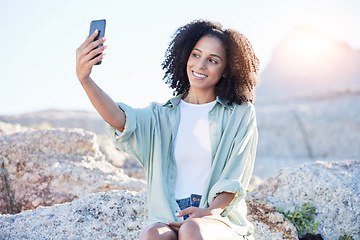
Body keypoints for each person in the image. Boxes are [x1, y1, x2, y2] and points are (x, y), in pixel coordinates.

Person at [76, 19, 259, 240]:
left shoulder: (239, 113)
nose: (200, 65)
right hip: (169, 214)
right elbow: (119, 119)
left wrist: (208, 212)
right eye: (195, 55)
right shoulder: (160, 115)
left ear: (226, 70)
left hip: (219, 218)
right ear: (185, 56)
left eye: (213, 60)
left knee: (193, 229)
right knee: (154, 234)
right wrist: (85, 79)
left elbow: (235, 176)